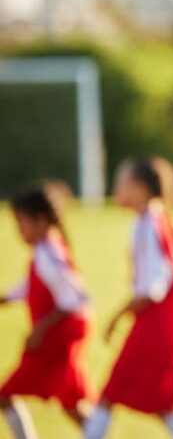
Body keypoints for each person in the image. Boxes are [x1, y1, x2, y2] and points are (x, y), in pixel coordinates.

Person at [83, 157, 173, 439]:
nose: (117, 189)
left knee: (110, 395)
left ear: (140, 188)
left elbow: (153, 288)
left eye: (122, 182)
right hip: (166, 328)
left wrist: (116, 316)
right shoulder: (161, 220)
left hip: (154, 328)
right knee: (163, 406)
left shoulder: (148, 225)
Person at [0, 184, 92, 438]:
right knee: (70, 402)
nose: (18, 230)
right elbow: (30, 286)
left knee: (6, 394)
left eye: (21, 222)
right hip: (64, 333)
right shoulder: (48, 250)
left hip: (58, 336)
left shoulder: (48, 254)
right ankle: (98, 432)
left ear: (40, 221)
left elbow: (73, 299)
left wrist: (38, 331)